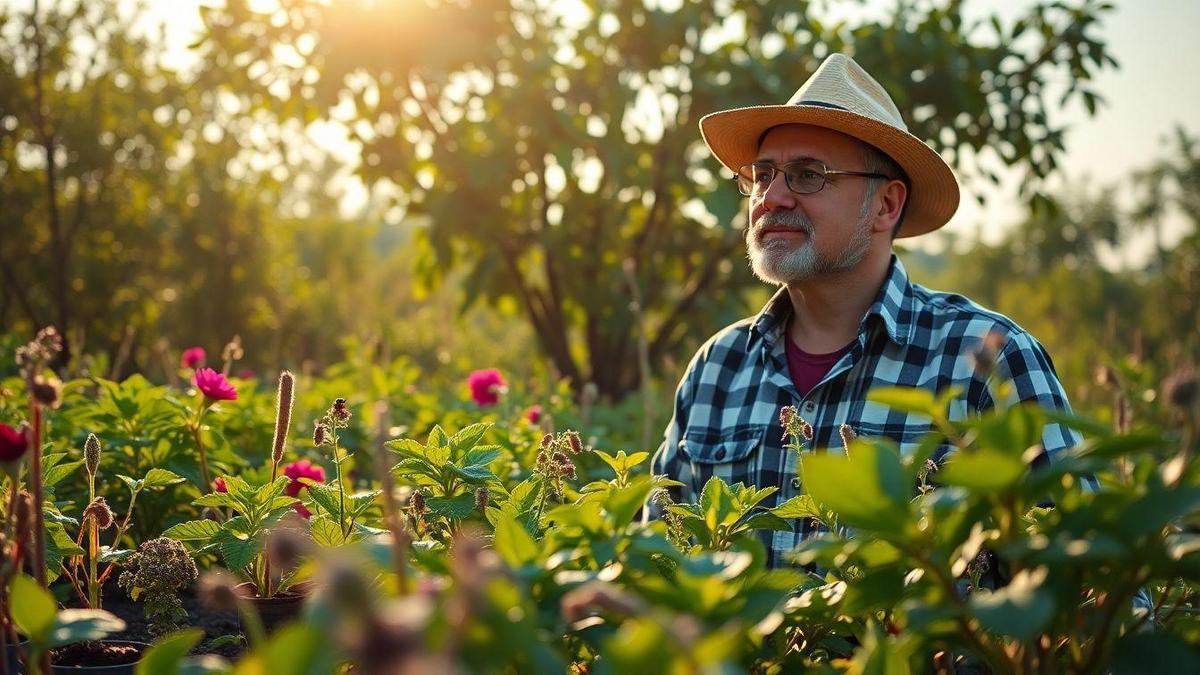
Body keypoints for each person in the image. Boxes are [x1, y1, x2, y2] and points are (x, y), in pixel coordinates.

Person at [649, 53, 1082, 568]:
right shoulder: (716, 368)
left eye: (808, 174)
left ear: (886, 206)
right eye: (763, 174)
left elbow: (1092, 587)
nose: (772, 197)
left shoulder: (986, 361)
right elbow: (656, 560)